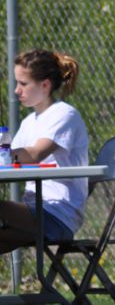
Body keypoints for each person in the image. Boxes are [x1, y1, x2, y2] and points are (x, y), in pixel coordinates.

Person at [0, 49, 89, 253]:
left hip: (56, 215)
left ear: (45, 85)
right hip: (33, 212)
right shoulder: (29, 122)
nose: (16, 90)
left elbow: (33, 154)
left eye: (23, 84)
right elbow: (10, 159)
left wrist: (6, 153)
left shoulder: (65, 115)